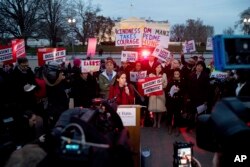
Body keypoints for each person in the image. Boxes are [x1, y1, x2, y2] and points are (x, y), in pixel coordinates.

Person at [148, 62, 168, 128]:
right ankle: (154, 122)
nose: (159, 68)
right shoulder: (151, 75)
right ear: (155, 68)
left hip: (161, 93)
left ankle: (159, 122)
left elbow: (165, 84)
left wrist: (160, 86)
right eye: (157, 67)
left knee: (160, 109)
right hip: (153, 94)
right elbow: (148, 84)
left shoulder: (164, 74)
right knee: (153, 109)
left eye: (160, 67)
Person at [166, 69, 185, 135]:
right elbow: (167, 90)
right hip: (171, 100)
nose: (176, 75)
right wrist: (170, 92)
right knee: (170, 114)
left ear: (179, 74)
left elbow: (185, 90)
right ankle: (170, 127)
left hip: (178, 100)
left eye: (177, 74)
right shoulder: (170, 80)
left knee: (177, 115)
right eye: (175, 74)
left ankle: (177, 127)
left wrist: (179, 90)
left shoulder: (182, 81)